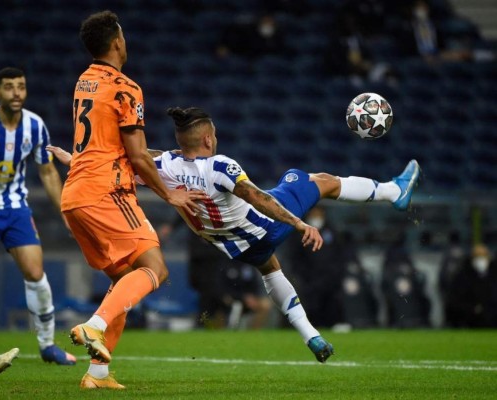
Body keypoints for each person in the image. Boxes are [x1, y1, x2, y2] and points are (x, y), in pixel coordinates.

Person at [49, 106, 421, 367]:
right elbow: (258, 198)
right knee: (315, 180)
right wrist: (300, 224)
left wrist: (77, 160)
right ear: (209, 138)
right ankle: (393, 191)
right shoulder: (222, 166)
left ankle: (312, 337)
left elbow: (138, 156)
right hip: (266, 227)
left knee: (270, 269)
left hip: (232, 246)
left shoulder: (164, 166)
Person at [60, 11, 205, 390]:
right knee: (156, 268)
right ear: (117, 42)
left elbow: (98, 142)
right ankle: (92, 326)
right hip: (107, 192)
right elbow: (138, 155)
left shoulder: (84, 82)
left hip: (74, 195)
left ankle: (97, 375)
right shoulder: (127, 88)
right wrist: (169, 193)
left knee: (123, 282)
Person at [0, 67, 76, 366]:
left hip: (15, 209)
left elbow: (48, 171)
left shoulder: (35, 127)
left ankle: (47, 344)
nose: (16, 92)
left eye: (21, 87)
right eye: (9, 87)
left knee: (35, 273)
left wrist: (65, 209)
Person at [287, 205, 345, 327]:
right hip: (309, 279)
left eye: (318, 213)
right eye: (313, 213)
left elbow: (340, 255)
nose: (316, 216)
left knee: (332, 306)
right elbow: (294, 257)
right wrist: (303, 275)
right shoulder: (299, 234)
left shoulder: (332, 232)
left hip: (330, 279)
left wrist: (335, 273)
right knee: (312, 307)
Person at [446, 243, 497, 328]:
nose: (480, 260)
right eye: (477, 256)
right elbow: (454, 301)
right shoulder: (462, 276)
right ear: (471, 258)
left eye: (483, 256)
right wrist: (473, 309)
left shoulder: (494, 274)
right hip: (469, 319)